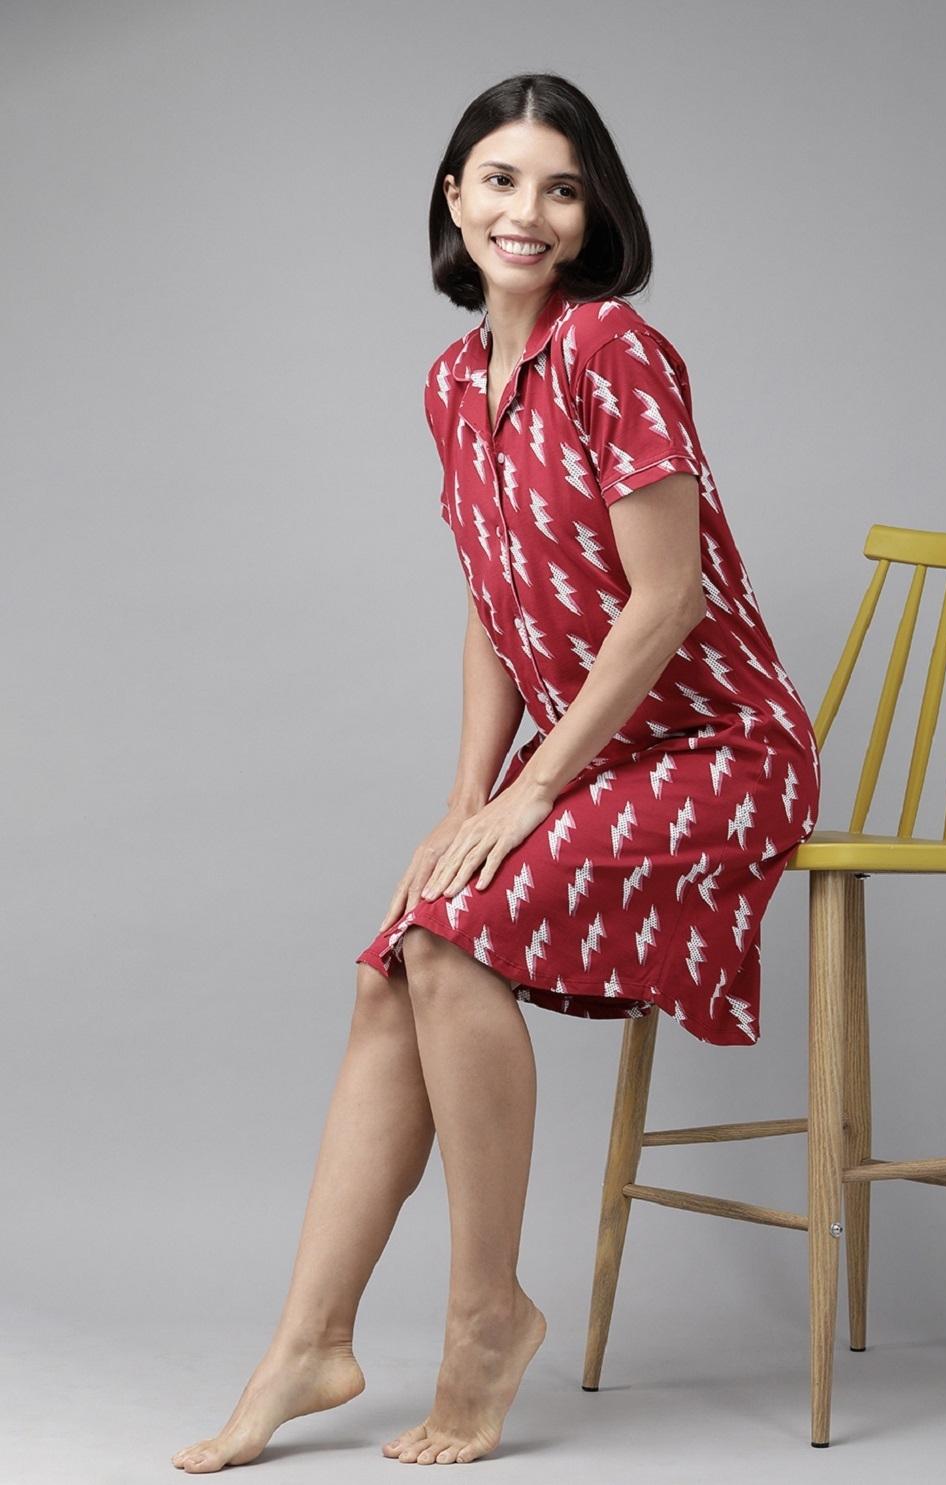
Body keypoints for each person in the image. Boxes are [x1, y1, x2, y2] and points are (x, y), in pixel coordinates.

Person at [172, 71, 819, 1473]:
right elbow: (496, 603)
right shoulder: (450, 385)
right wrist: (465, 800)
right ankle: (307, 1343)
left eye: (562, 188)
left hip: (719, 747)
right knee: (393, 960)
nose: (530, 212)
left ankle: (484, 1320)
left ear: (592, 215)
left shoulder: (613, 350)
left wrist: (526, 796)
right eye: (504, 180)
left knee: (451, 943)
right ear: (454, 197)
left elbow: (666, 604)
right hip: (590, 749)